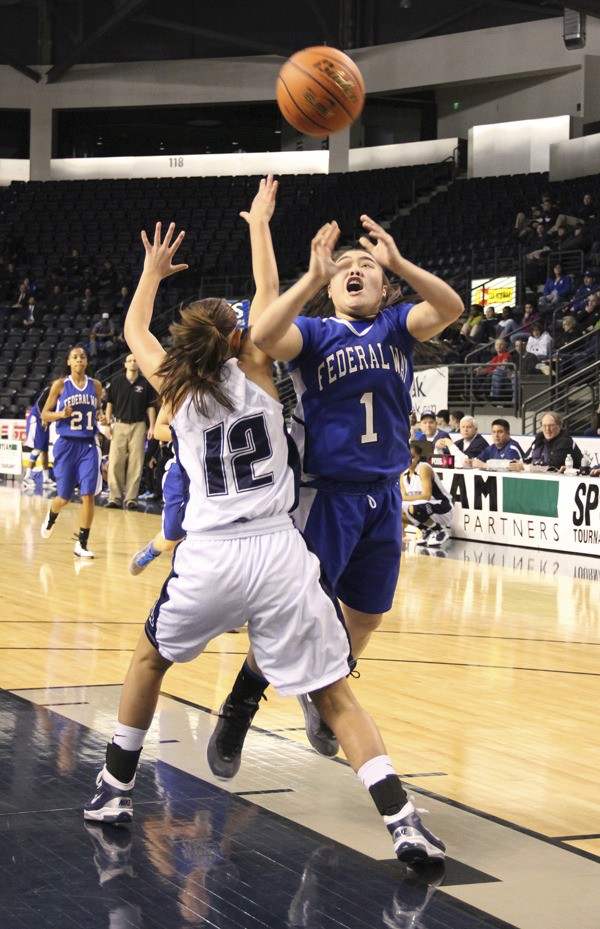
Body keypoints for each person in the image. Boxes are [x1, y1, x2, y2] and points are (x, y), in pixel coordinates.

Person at [83, 182, 446, 866]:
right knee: (336, 692)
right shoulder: (259, 365)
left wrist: (149, 275)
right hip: (279, 548)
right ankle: (402, 821)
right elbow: (268, 285)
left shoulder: (174, 381)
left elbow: (136, 330)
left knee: (150, 658)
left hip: (214, 554)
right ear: (239, 337)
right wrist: (267, 232)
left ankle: (112, 786)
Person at [210, 208, 464, 773]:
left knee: (367, 614)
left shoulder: (398, 327)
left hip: (385, 496)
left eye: (367, 265)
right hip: (328, 496)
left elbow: (450, 308)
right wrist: (310, 274)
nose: (356, 270)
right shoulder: (317, 333)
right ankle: (241, 703)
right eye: (344, 265)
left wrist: (400, 260)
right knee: (299, 613)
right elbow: (266, 334)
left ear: (383, 284)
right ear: (331, 282)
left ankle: (324, 692)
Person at [39, 345, 102, 558]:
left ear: (87, 362)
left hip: (88, 446)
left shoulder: (96, 386)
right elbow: (45, 415)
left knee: (88, 495)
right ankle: (52, 514)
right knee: (64, 497)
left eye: (82, 357)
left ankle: (82, 544)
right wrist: (60, 414)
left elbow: (98, 410)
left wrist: (101, 417)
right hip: (66, 445)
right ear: (68, 362)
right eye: (75, 357)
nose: (79, 360)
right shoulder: (60, 385)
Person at [129, 405, 184, 574]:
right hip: (183, 470)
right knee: (170, 539)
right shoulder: (180, 389)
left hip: (216, 473)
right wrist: (192, 434)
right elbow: (159, 430)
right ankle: (152, 550)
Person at [104, 354, 157, 510]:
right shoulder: (117, 381)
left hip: (138, 425)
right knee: (115, 462)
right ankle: (114, 498)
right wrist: (108, 424)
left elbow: (150, 407)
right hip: (119, 425)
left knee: (136, 462)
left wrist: (152, 426)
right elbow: (109, 404)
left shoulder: (145, 383)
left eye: (135, 360)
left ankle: (131, 498)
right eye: (130, 360)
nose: (133, 362)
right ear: (125, 364)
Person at [400, 439, 454, 546]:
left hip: (442, 507)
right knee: (395, 508)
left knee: (413, 507)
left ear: (419, 456)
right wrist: (402, 533)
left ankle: (439, 531)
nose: (409, 460)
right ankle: (426, 529)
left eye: (412, 457)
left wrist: (403, 499)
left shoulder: (424, 468)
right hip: (425, 508)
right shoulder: (403, 474)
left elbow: (426, 496)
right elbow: (402, 498)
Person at [509, 410, 582, 471]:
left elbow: (552, 467)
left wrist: (525, 467)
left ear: (559, 426)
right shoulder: (539, 439)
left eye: (551, 425)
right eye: (544, 426)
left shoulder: (565, 442)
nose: (547, 429)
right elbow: (526, 458)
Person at [22, 385, 56, 488]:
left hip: (45, 421)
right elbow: (40, 404)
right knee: (38, 448)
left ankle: (46, 479)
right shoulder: (51, 389)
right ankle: (27, 477)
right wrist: (44, 417)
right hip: (37, 419)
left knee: (44, 450)